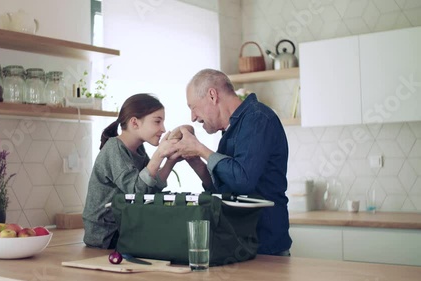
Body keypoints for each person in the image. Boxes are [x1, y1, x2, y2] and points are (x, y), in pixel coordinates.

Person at [175, 69, 292, 256]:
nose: (193, 117)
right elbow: (222, 190)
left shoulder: (258, 118)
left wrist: (200, 148)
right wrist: (195, 160)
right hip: (237, 244)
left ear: (212, 96)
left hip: (265, 246)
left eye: (193, 107)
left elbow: (243, 179)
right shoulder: (230, 131)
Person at [82, 93, 180, 249]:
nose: (163, 129)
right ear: (135, 123)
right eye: (157, 122)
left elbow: (149, 190)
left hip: (124, 227)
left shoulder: (138, 149)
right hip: (106, 234)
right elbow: (135, 191)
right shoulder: (115, 148)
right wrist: (159, 154)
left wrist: (170, 161)